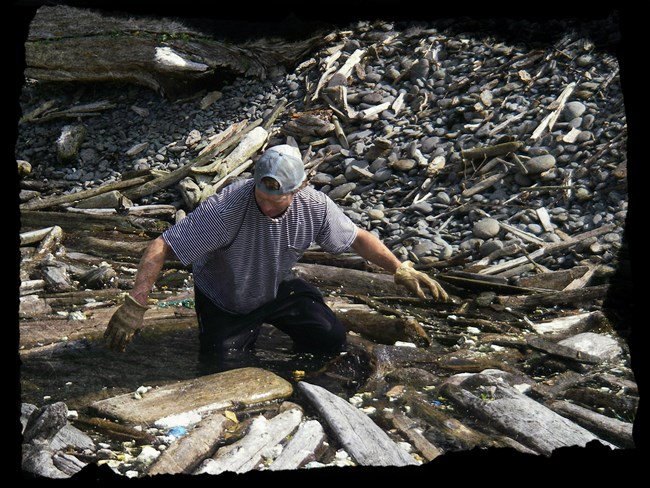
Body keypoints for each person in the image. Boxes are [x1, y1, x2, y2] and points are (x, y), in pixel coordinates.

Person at [103, 144, 449, 366]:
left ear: (298, 189)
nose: (266, 206)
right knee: (222, 366)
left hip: (276, 285)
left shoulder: (314, 205)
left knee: (330, 340)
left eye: (276, 200)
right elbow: (161, 246)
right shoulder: (228, 209)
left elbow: (357, 238)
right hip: (227, 297)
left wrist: (399, 268)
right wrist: (137, 301)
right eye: (261, 196)